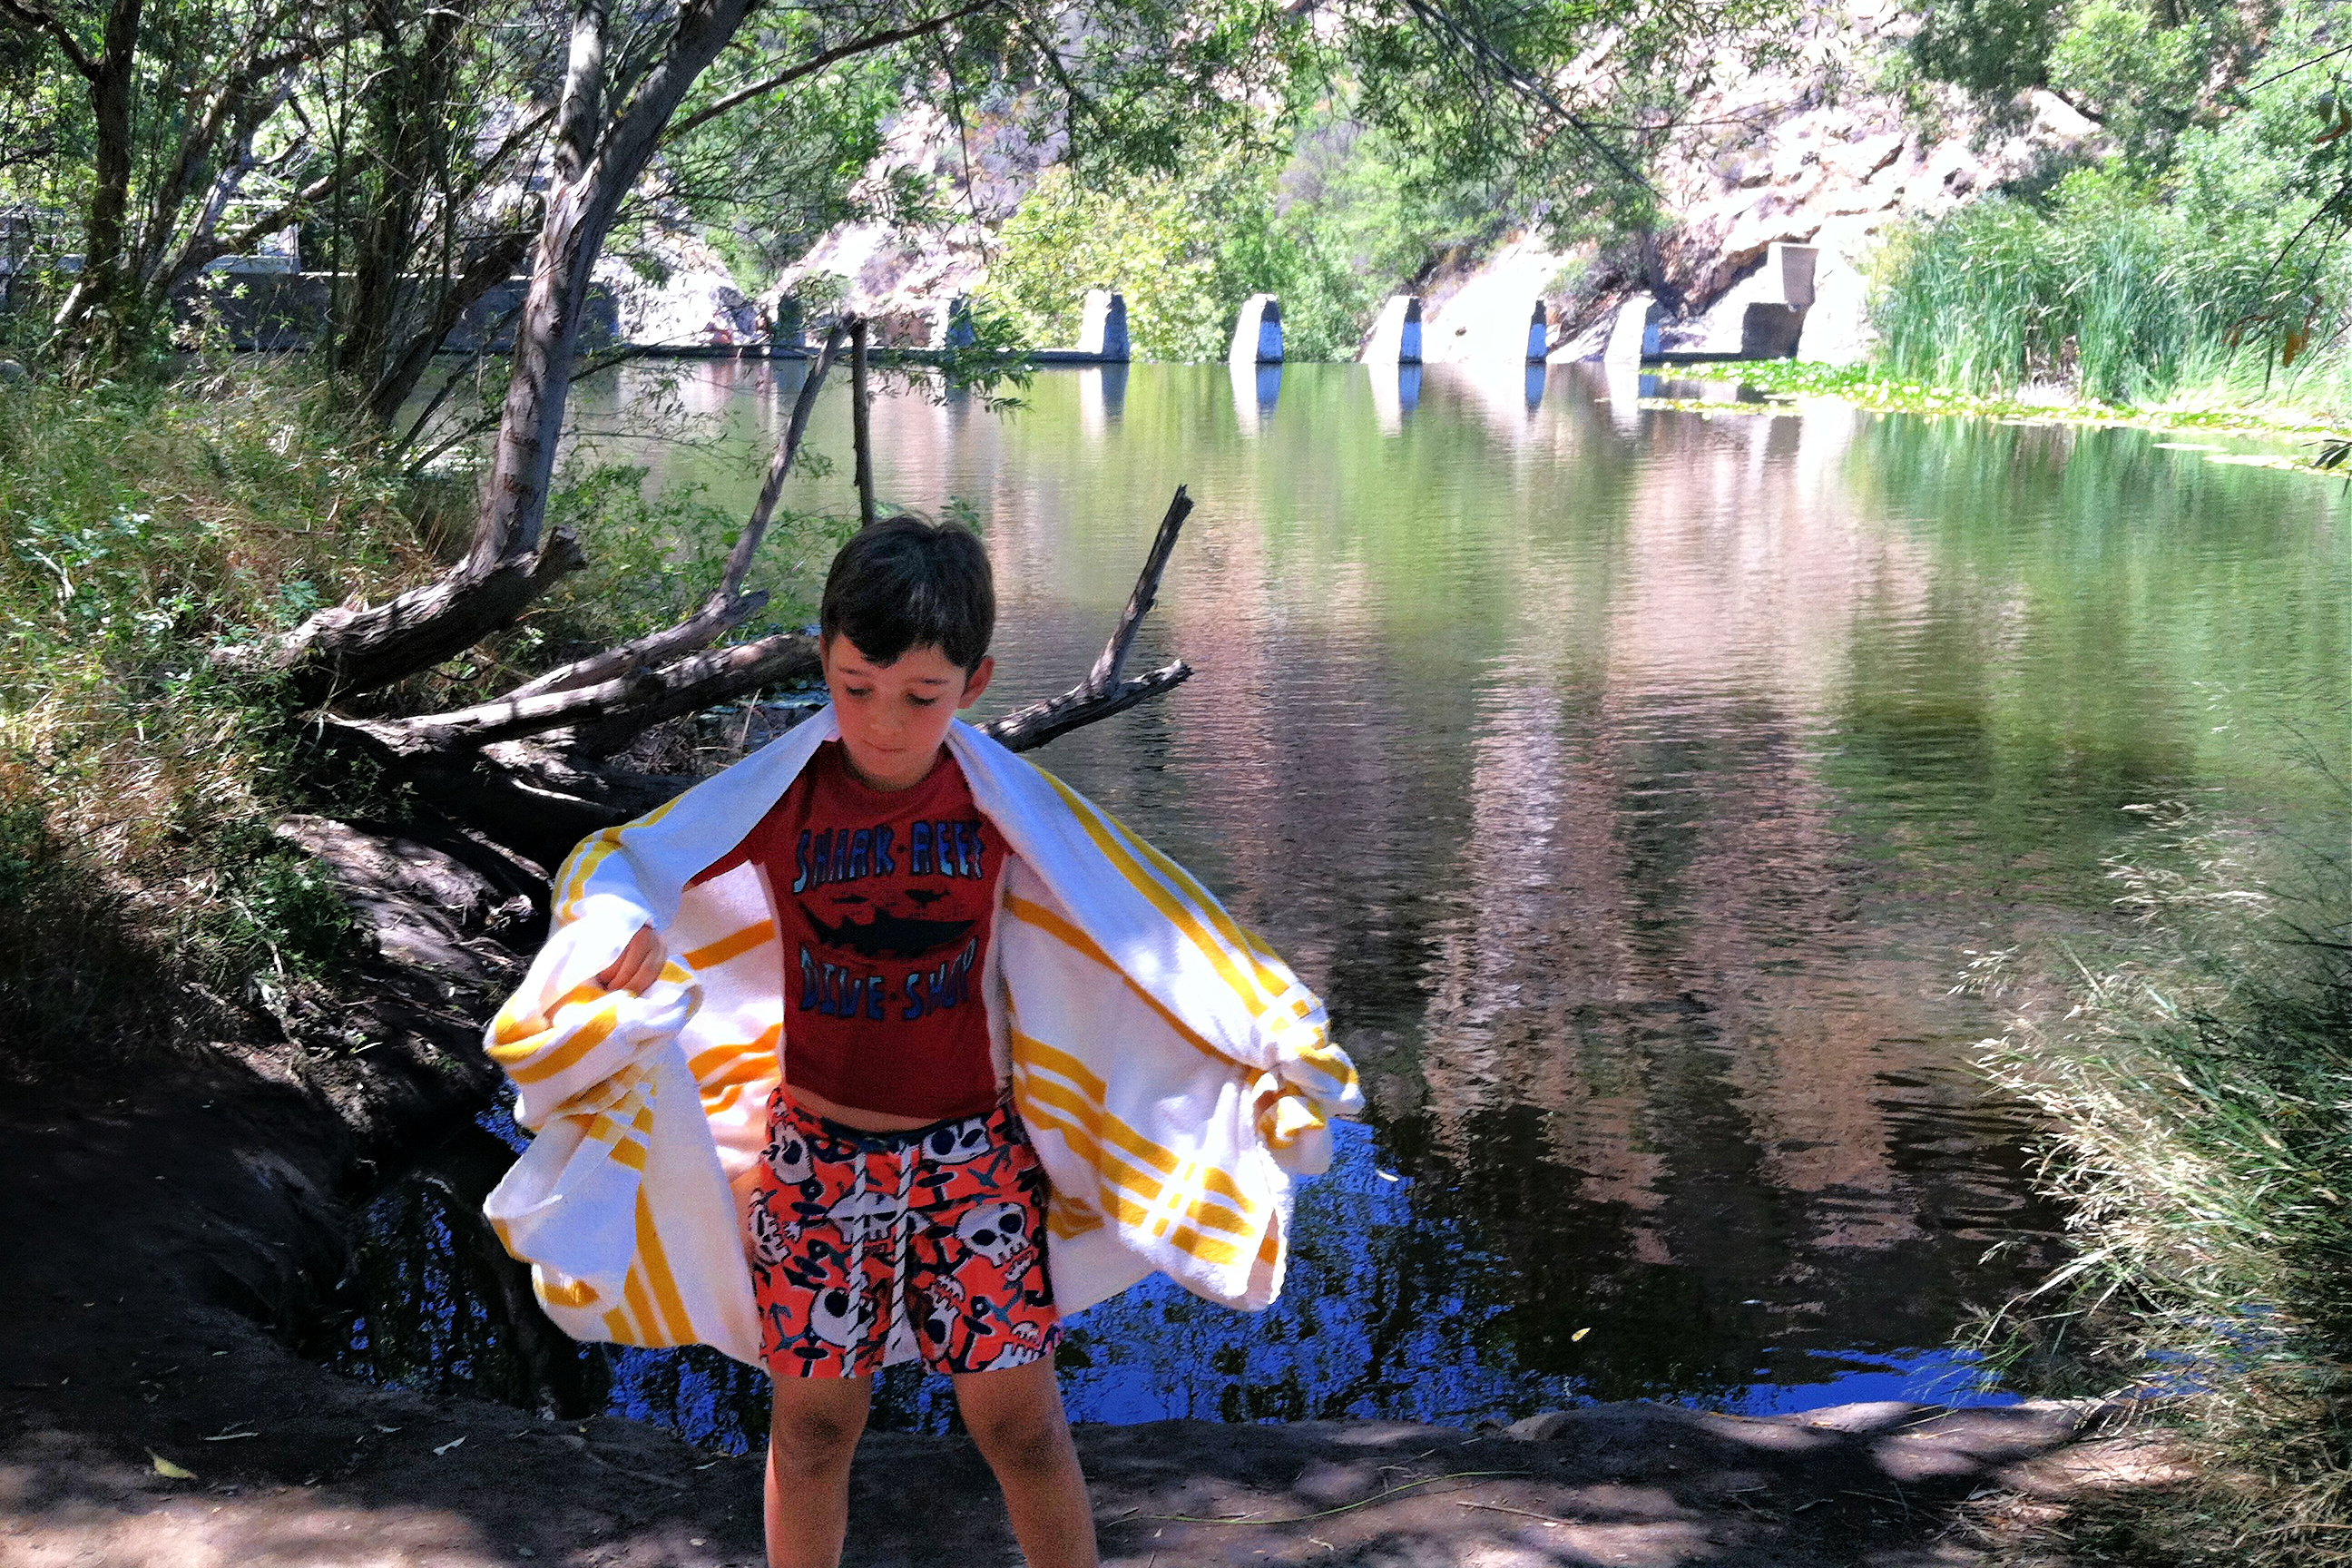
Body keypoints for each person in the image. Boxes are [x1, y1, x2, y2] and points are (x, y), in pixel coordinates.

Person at [480, 516, 1360, 1568]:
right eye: (855, 687)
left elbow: (1156, 927)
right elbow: (627, 861)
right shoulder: (784, 797)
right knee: (812, 1433)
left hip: (974, 1167)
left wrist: (1272, 1033)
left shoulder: (1002, 807)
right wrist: (610, 927)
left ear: (974, 683)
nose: (884, 724)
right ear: (825, 661)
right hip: (814, 1165)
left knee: (1021, 1427)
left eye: (920, 697)